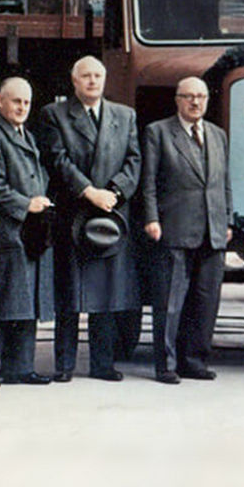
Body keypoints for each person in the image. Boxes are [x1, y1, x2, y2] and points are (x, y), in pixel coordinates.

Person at [39, 56, 141, 382]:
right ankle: (64, 364)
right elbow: (58, 160)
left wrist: (113, 193)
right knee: (69, 296)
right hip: (74, 214)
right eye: (86, 76)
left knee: (107, 295)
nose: (93, 81)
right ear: (74, 81)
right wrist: (89, 192)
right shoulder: (54, 114)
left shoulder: (125, 116)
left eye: (97, 75)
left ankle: (102, 364)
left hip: (111, 215)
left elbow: (134, 161)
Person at [142, 76, 232, 384]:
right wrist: (151, 218)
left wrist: (227, 220)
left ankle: (193, 361)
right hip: (174, 227)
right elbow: (149, 182)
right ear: (177, 100)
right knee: (170, 302)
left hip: (213, 230)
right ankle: (166, 364)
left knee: (205, 301)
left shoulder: (218, 135)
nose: (195, 102)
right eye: (189, 96)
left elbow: (224, 182)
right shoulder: (158, 132)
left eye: (201, 96)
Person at [0, 78, 54, 388]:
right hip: (6, 230)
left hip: (28, 230)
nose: (22, 107)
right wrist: (26, 204)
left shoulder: (26, 135)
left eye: (26, 102)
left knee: (25, 301)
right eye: (16, 101)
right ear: (0, 102)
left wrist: (40, 200)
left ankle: (20, 367)